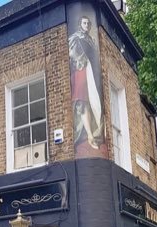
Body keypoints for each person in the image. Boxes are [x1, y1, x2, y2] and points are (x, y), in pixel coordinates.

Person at [69, 16, 103, 150]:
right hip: (81, 71)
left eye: (88, 23)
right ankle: (89, 136)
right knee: (82, 101)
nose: (87, 25)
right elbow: (72, 53)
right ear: (80, 24)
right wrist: (84, 61)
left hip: (92, 73)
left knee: (93, 100)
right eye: (84, 23)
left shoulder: (92, 40)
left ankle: (92, 133)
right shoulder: (75, 37)